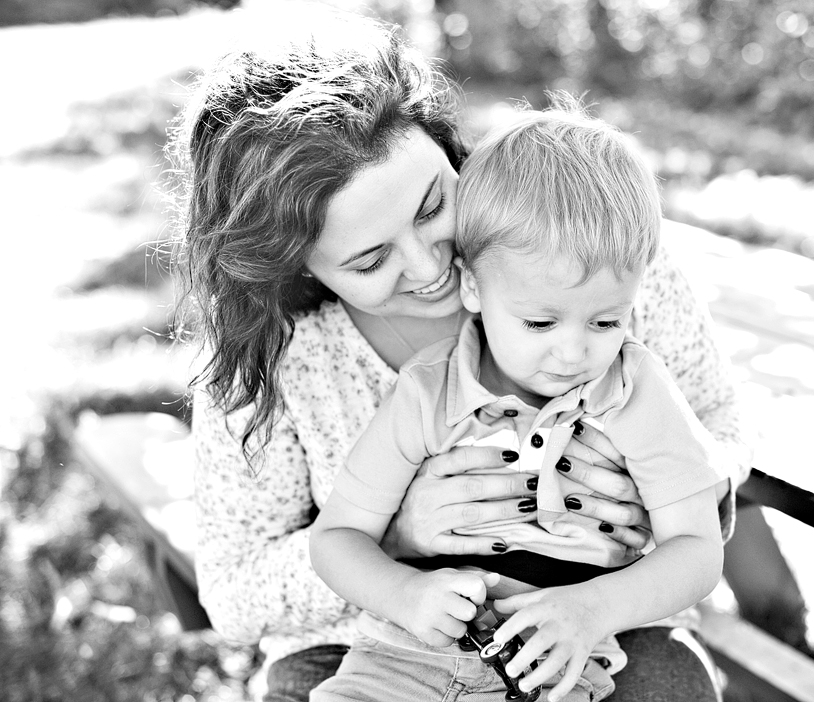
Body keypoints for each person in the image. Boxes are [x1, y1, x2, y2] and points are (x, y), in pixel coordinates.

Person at [168, 7, 751, 702]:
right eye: (370, 258)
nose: (429, 266)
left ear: (448, 149)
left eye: (431, 205)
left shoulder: (589, 255)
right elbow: (235, 591)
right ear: (296, 269)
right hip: (371, 646)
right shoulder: (292, 358)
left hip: (604, 630)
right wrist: (399, 540)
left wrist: (665, 490)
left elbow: (717, 428)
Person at [308, 104, 729, 702]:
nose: (574, 352)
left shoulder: (634, 390)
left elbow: (696, 551)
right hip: (404, 659)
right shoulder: (430, 392)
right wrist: (404, 594)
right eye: (539, 322)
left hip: (551, 664)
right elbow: (337, 537)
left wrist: (592, 610)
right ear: (473, 288)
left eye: (608, 320)